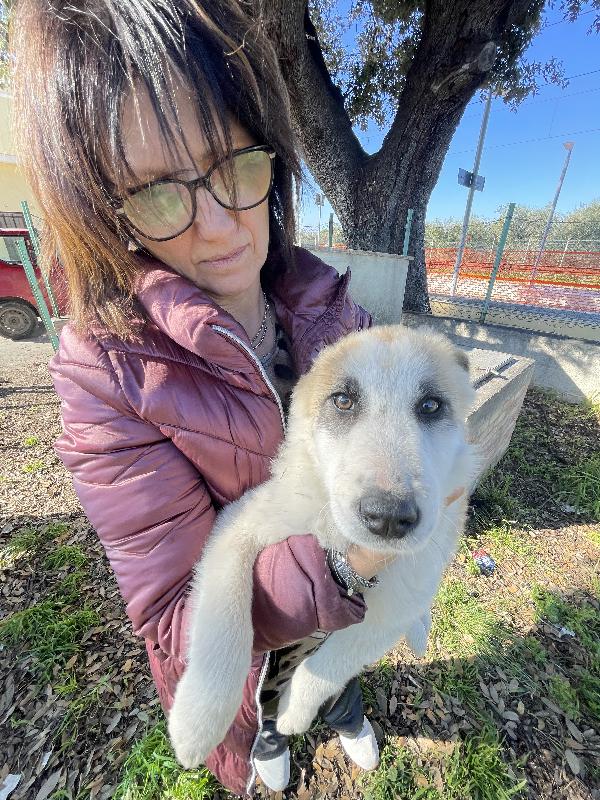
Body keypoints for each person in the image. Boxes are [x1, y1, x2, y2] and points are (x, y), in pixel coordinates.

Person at [11, 0, 397, 794]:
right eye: (158, 192)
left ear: (271, 158)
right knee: (266, 705)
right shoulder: (108, 375)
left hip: (344, 615)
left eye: (234, 166)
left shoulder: (325, 301)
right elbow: (178, 622)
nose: (220, 228)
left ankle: (346, 707)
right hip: (246, 665)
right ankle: (267, 746)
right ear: (107, 212)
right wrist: (352, 555)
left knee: (333, 666)